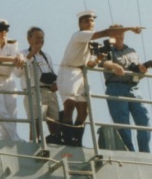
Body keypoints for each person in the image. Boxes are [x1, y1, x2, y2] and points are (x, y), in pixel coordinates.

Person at [57, 10, 143, 147]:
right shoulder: (79, 35)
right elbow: (105, 33)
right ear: (80, 24)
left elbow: (90, 64)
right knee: (69, 105)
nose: (90, 23)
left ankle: (76, 140)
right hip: (69, 70)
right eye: (86, 21)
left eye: (91, 20)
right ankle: (66, 138)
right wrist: (130, 28)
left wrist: (99, 58)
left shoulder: (91, 43)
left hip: (81, 73)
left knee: (83, 109)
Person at [100, 25, 151, 152]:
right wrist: (114, 66)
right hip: (115, 87)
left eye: (120, 33)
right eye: (115, 33)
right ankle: (128, 151)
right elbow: (103, 63)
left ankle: (145, 152)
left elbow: (139, 74)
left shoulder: (132, 51)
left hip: (134, 88)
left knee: (144, 118)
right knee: (122, 122)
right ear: (110, 35)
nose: (118, 35)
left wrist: (143, 71)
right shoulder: (106, 50)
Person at [18, 26, 62, 144]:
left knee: (55, 121)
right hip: (33, 91)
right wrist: (30, 55)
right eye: (37, 38)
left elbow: (52, 73)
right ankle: (34, 146)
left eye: (42, 38)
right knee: (36, 122)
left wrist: (56, 84)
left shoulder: (46, 56)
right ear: (29, 39)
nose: (40, 41)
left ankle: (55, 143)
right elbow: (17, 73)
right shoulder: (22, 53)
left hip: (50, 91)